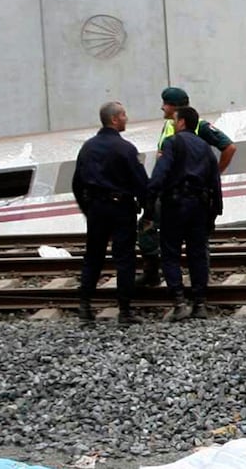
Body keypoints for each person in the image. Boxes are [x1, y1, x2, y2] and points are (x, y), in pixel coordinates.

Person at [137, 87, 235, 288]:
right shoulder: (169, 125)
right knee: (148, 227)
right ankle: (153, 273)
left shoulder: (199, 126)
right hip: (168, 191)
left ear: (173, 107)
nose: (161, 107)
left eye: (164, 103)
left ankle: (195, 282)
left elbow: (229, 147)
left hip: (186, 192)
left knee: (192, 239)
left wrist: (214, 174)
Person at [72, 101, 149, 326]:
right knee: (124, 259)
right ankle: (124, 311)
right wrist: (147, 210)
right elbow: (140, 182)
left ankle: (85, 307)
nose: (127, 118)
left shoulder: (87, 147)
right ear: (114, 120)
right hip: (121, 208)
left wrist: (88, 209)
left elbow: (77, 183)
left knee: (93, 257)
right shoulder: (126, 148)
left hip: (96, 208)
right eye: (123, 115)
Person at [148, 106, 222, 321]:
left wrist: (149, 201)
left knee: (170, 253)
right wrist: (215, 212)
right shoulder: (205, 147)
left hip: (175, 204)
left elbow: (161, 172)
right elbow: (214, 181)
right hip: (199, 206)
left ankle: (179, 303)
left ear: (181, 123)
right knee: (197, 254)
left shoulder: (173, 143)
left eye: (175, 120)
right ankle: (199, 304)